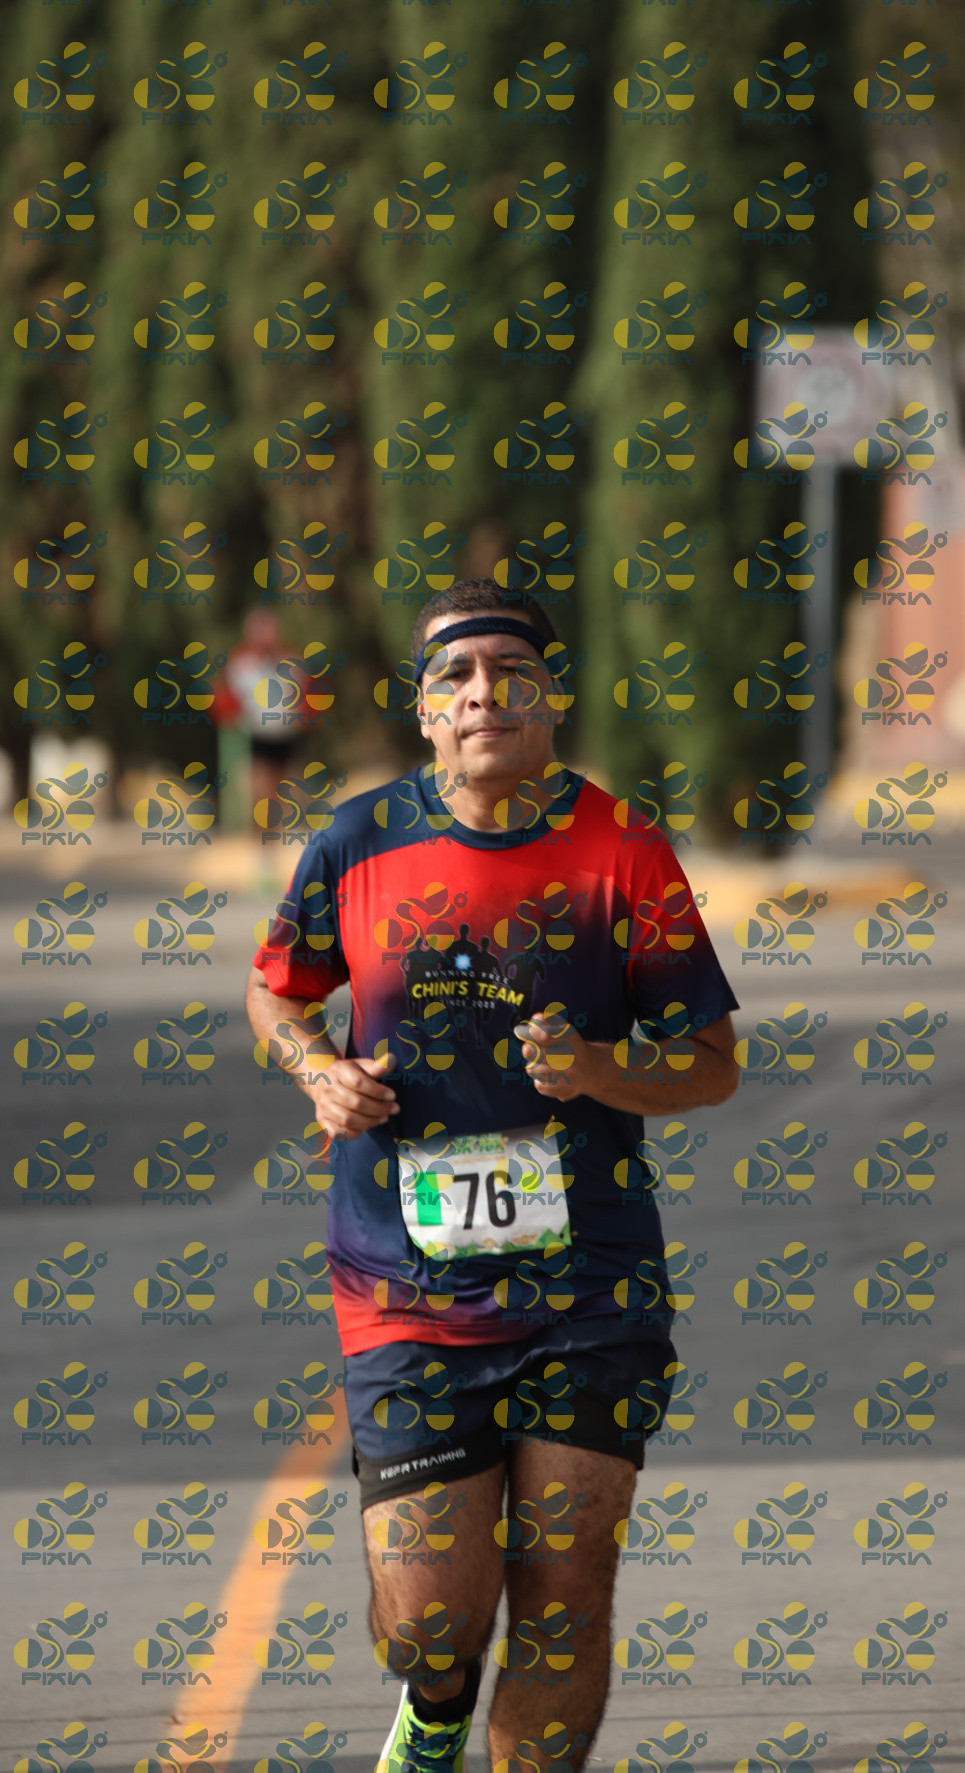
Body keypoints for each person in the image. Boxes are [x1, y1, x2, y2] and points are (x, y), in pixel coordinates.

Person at [245, 576, 739, 1773]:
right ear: (423, 709)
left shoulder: (621, 850)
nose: (483, 695)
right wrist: (316, 1072)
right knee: (431, 1620)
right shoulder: (356, 842)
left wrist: (600, 1068)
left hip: (590, 1285)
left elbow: (712, 1061)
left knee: (564, 1591)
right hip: (403, 1288)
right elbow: (275, 993)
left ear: (550, 696)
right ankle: (435, 1700)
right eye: (454, 677)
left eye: (511, 673)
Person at [214, 606, 314, 829]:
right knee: (260, 790)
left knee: (285, 791)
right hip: (257, 733)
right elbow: (229, 699)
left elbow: (305, 695)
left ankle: (276, 839)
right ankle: (261, 838)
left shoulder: (292, 660)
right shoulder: (241, 663)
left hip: (287, 733)